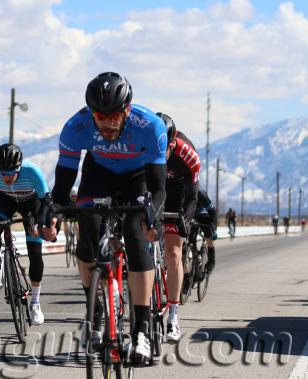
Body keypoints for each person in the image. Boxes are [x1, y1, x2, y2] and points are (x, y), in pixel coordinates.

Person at [43, 72, 167, 364]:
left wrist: (154, 217)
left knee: (137, 238)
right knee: (88, 231)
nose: (108, 123)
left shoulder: (150, 126)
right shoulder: (76, 127)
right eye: (101, 116)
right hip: (98, 174)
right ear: (91, 113)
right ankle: (95, 311)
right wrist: (54, 213)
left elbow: (159, 187)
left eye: (114, 116)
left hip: (137, 178)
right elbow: (63, 183)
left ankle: (142, 330)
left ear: (127, 110)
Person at [0, 143, 54, 326]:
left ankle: (35, 303)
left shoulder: (33, 172)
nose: (6, 177)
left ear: (19, 167)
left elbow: (47, 202)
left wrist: (40, 223)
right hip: (4, 200)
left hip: (31, 203)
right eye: (2, 173)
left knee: (35, 253)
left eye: (11, 173)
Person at [157, 112, 200, 344]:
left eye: (164, 147)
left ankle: (173, 316)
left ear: (172, 142)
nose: (159, 152)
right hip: (153, 190)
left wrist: (186, 218)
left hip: (178, 195)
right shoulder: (144, 148)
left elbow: (193, 196)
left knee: (174, 253)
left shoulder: (187, 153)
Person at [195, 189, 217, 273]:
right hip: (188, 215)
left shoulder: (200, 194)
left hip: (201, 213)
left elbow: (212, 212)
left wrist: (213, 229)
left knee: (208, 231)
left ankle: (212, 258)